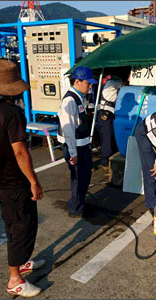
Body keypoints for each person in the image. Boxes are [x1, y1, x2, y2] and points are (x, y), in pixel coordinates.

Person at [0, 59, 45, 297]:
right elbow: (19, 150)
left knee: (13, 225)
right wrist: (34, 181)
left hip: (0, 180)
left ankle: (23, 262)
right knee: (22, 226)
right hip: (16, 182)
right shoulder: (12, 113)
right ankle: (15, 279)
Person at [57, 66, 97, 218]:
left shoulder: (78, 96)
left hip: (81, 145)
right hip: (76, 147)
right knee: (80, 178)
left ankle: (76, 202)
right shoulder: (70, 100)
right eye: (88, 83)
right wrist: (73, 153)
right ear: (78, 81)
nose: (90, 86)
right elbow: (68, 129)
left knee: (82, 177)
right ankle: (76, 208)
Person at [96, 75, 127, 170]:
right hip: (106, 114)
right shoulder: (113, 82)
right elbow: (125, 84)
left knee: (110, 138)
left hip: (108, 113)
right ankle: (105, 163)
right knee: (107, 139)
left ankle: (107, 160)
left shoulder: (112, 82)